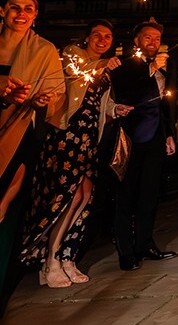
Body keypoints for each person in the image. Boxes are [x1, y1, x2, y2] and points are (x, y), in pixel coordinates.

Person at [20, 20, 120, 287]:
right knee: (68, 194)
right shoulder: (72, 54)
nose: (102, 40)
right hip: (67, 132)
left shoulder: (105, 70)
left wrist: (114, 109)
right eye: (97, 35)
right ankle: (49, 261)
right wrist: (101, 65)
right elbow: (75, 78)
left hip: (88, 137)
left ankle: (67, 256)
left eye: (108, 36)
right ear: (86, 38)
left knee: (85, 196)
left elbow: (100, 102)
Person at [0, 0, 65, 310]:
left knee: (4, 207)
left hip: (20, 132)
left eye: (29, 9)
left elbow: (56, 94)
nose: (21, 14)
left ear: (36, 14)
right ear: (2, 11)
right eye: (14, 8)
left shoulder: (44, 50)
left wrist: (42, 100)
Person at [109, 19, 178, 271]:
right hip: (130, 137)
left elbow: (164, 103)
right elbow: (128, 97)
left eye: (157, 39)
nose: (153, 42)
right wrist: (149, 71)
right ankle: (126, 252)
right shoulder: (124, 66)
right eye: (147, 38)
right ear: (136, 41)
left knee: (150, 194)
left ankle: (145, 245)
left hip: (156, 138)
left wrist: (169, 133)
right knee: (126, 195)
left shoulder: (162, 68)